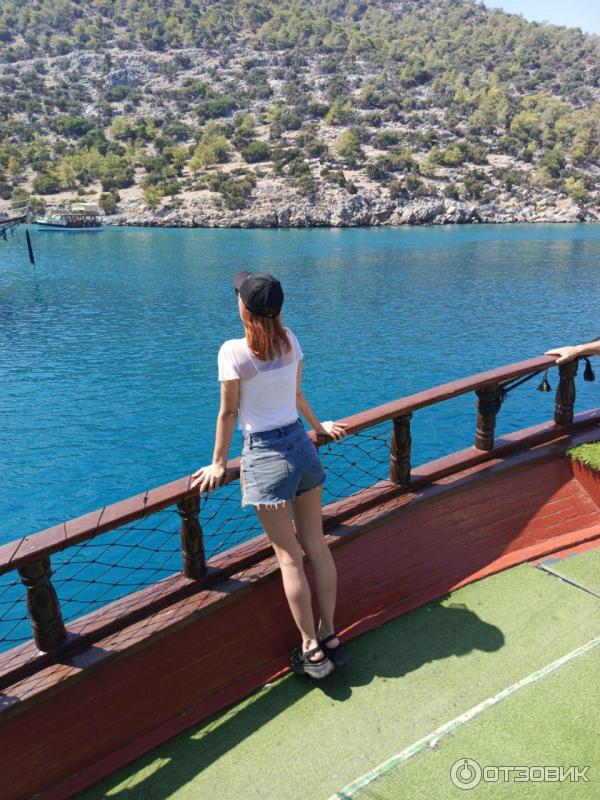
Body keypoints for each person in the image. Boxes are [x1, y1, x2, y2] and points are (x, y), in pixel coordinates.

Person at [190, 270, 349, 680]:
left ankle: (311, 650)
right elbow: (296, 395)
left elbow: (228, 412)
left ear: (244, 308)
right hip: (302, 449)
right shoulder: (290, 339)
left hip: (265, 457)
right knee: (317, 546)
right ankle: (329, 635)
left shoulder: (233, 351)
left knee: (289, 558)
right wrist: (319, 428)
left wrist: (218, 463)